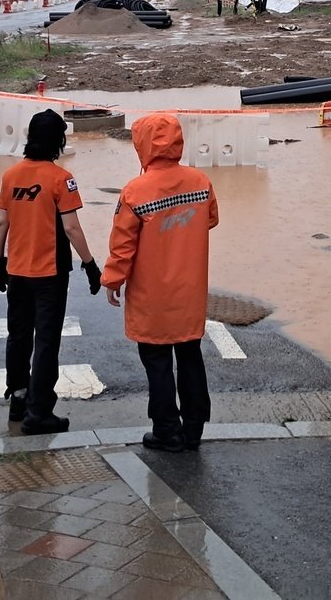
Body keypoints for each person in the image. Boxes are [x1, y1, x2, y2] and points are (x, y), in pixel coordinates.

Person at [102, 112, 219, 453]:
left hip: (152, 295)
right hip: (190, 291)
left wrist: (112, 279)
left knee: (157, 362)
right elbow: (211, 219)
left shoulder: (135, 191)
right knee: (190, 355)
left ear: (142, 144)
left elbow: (122, 245)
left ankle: (167, 429)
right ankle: (194, 428)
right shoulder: (200, 181)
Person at [0, 110, 103, 435]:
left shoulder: (11, 175)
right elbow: (71, 228)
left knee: (19, 335)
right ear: (58, 140)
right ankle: (39, 413)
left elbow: (2, 223)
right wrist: (90, 264)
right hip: (50, 274)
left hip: (17, 271)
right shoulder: (61, 179)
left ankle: (19, 397)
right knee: (47, 342)